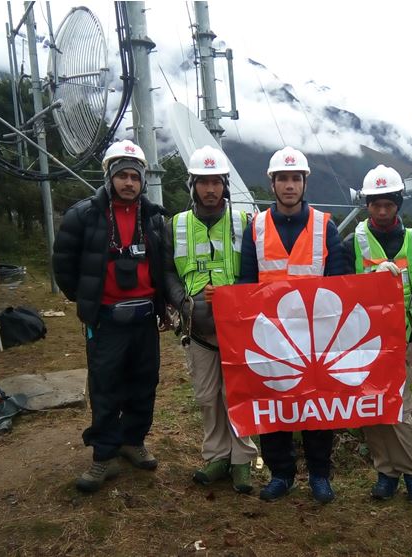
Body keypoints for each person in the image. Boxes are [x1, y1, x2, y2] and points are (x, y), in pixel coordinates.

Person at [52, 139, 169, 493]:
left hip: (144, 319)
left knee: (144, 382)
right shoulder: (84, 215)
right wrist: (87, 301)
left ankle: (133, 441)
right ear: (109, 176)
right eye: (122, 175)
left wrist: (164, 305)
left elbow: (163, 265)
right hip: (106, 320)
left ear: (142, 180)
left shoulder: (153, 217)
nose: (129, 182)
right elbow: (63, 264)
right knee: (105, 386)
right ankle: (103, 454)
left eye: (135, 176)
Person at [238, 146, 347, 503]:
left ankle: (319, 475)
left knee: (317, 408)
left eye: (295, 178)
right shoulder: (256, 228)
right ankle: (281, 474)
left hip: (316, 337)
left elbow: (339, 284)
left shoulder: (325, 227)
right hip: (272, 337)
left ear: (304, 183)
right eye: (283, 179)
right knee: (274, 405)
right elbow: (246, 284)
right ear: (272, 183)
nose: (289, 185)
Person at [163, 145, 259, 494]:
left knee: (237, 393)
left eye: (216, 182)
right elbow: (167, 271)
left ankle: (242, 459)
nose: (210, 189)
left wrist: (237, 298)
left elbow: (254, 269)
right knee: (207, 396)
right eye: (203, 182)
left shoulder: (244, 223)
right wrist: (182, 302)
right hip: (198, 328)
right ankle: (217, 456)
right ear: (192, 185)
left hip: (237, 327)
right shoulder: (176, 225)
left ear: (225, 185)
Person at [343, 164, 412, 505]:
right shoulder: (353, 244)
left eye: (388, 204)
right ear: (367, 204)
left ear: (398, 203)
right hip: (363, 343)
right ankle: (386, 472)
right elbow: (339, 295)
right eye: (376, 204)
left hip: (403, 341)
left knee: (400, 411)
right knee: (372, 408)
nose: (382, 211)